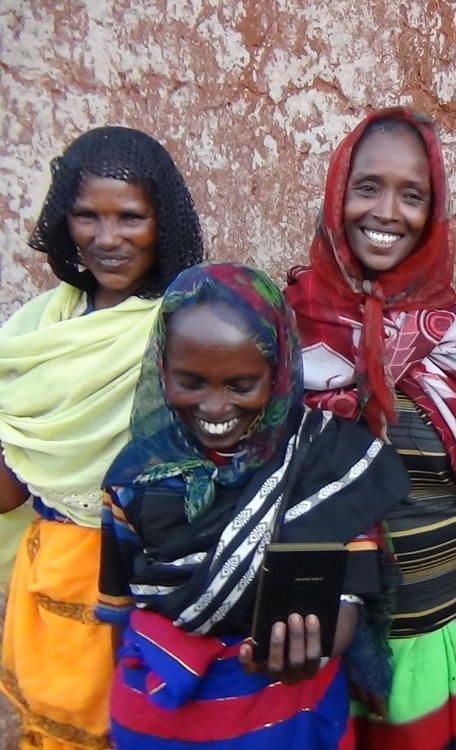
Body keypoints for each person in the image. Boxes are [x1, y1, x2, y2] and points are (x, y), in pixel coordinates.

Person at [285, 107, 456, 749]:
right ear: (338, 193)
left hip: (446, 631)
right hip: (320, 642)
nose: (387, 212)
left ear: (434, 211)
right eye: (368, 187)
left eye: (412, 195)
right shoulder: (286, 329)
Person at [97, 262, 409, 748]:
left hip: (288, 713)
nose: (216, 408)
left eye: (241, 385)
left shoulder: (328, 464)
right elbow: (120, 613)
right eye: (190, 381)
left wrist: (318, 642)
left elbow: (347, 599)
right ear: (161, 369)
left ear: (279, 372)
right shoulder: (133, 478)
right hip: (161, 721)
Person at [0, 126, 203, 749]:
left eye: (130, 217)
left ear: (161, 221)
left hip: (148, 583)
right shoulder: (37, 327)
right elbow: (11, 487)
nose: (106, 238)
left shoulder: (189, 321)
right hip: (49, 573)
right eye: (87, 215)